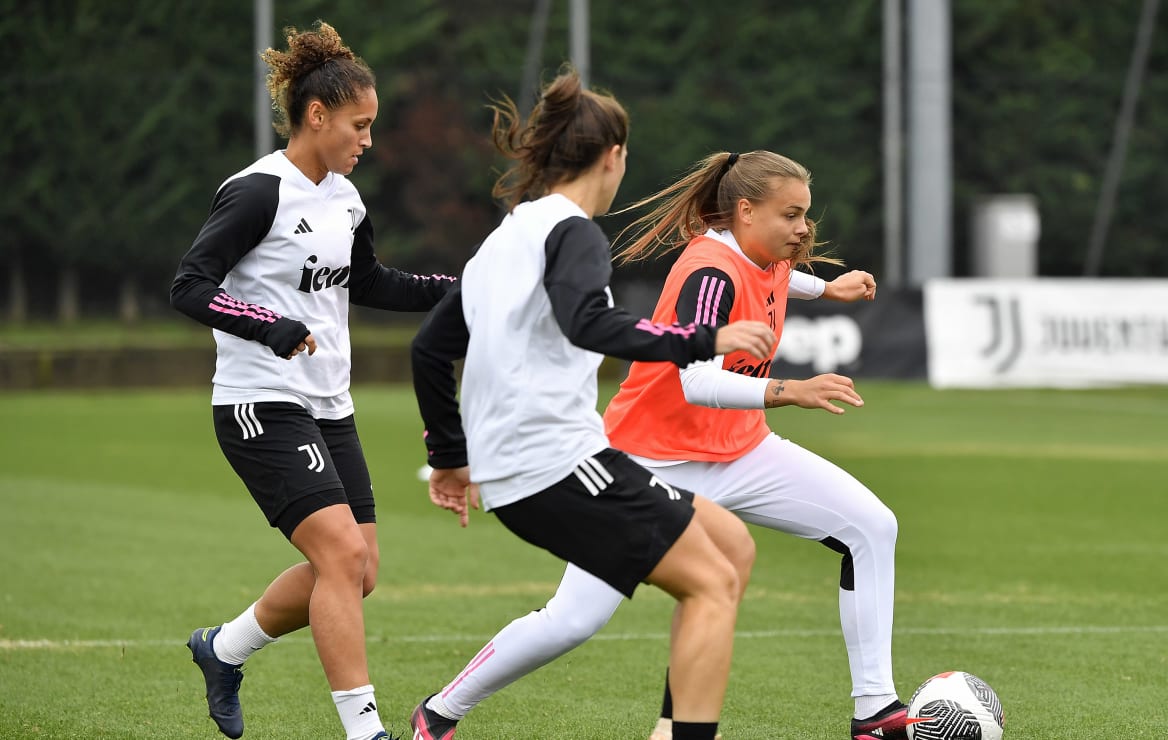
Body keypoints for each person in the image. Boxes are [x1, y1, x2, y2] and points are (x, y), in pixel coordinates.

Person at [420, 150, 909, 740]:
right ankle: (442, 710)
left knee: (872, 527)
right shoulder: (710, 273)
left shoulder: (769, 252)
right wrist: (786, 391)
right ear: (746, 212)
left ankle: (875, 712)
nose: (803, 229)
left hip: (742, 451)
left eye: (804, 214)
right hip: (650, 459)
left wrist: (827, 289)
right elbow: (696, 380)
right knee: (573, 620)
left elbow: (778, 277)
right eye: (791, 215)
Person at [407, 68, 777, 740]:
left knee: (733, 547)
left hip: (531, 467)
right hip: (555, 465)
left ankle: (668, 728)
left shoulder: (505, 238)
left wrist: (451, 459)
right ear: (612, 157)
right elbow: (588, 324)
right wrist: (706, 337)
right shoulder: (573, 232)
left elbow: (430, 350)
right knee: (712, 585)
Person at [170, 21, 455, 740]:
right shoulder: (257, 192)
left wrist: (461, 288)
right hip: (258, 402)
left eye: (373, 127)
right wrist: (268, 327)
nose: (367, 140)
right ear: (317, 115)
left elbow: (370, 281)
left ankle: (223, 648)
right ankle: (366, 733)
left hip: (331, 404)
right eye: (359, 125)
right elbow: (189, 285)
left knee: (360, 572)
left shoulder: (346, 199)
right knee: (341, 554)